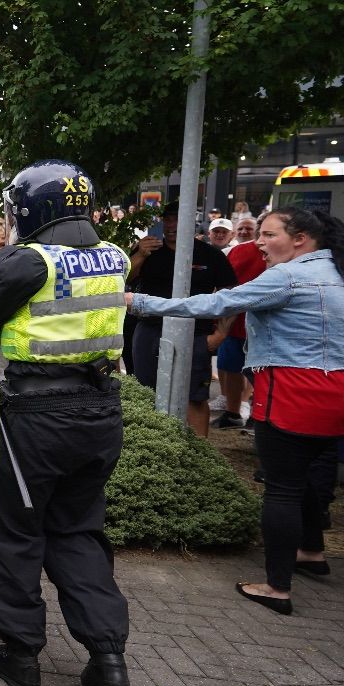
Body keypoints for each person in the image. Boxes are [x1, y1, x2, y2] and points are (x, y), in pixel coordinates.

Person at [128, 208, 344, 615]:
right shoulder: (334, 270)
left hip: (292, 391)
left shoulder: (287, 276)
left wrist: (138, 301)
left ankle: (277, 587)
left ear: (300, 239)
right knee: (313, 474)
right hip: (335, 393)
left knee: (282, 488)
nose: (259, 243)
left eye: (268, 234)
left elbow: (219, 302)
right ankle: (312, 552)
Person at [0, 160, 132, 686]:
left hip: (33, 420)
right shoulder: (115, 257)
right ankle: (108, 656)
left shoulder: (28, 263)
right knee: (78, 529)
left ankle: (20, 653)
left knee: (17, 532)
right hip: (101, 412)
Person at [127, 202, 236, 436]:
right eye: (167, 219)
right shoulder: (148, 250)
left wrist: (221, 335)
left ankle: (199, 457)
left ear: (191, 222)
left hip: (195, 333)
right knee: (146, 393)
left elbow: (230, 296)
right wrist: (140, 255)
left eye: (177, 219)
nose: (171, 224)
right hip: (150, 330)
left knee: (194, 397)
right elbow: (124, 281)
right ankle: (155, 448)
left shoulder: (210, 254)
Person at [212, 216, 265, 429]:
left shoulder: (286, 255)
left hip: (263, 326)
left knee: (260, 373)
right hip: (234, 322)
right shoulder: (237, 251)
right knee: (230, 368)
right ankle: (232, 413)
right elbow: (225, 285)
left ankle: (258, 416)